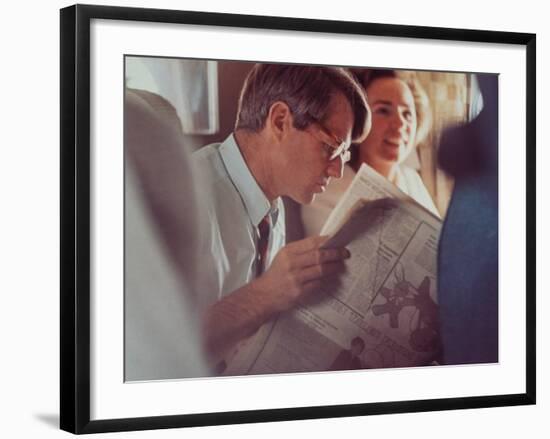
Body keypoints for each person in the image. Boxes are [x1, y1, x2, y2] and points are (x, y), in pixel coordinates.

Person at [193, 63, 371, 367]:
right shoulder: (186, 196)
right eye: (330, 148)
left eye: (344, 156)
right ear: (279, 121)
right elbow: (153, 347)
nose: (338, 171)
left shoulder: (272, 203)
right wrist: (267, 294)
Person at [301, 68, 439, 237]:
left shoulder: (412, 180)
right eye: (383, 110)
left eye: (407, 114)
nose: (400, 124)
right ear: (357, 121)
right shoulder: (326, 187)